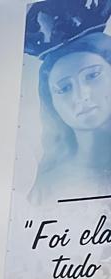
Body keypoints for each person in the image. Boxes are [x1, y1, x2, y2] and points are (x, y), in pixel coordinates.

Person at [31, 31, 111, 203]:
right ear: (52, 103)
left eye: (92, 75)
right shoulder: (47, 188)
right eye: (65, 88)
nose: (82, 95)